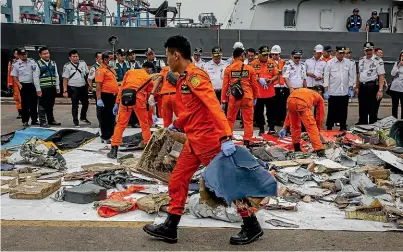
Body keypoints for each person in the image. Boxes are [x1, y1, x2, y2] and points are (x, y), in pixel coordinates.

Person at [143, 35, 263, 246]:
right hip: (193, 141)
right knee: (177, 179)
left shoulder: (195, 77)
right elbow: (192, 109)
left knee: (228, 184)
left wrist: (226, 136)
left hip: (208, 140)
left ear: (176, 55)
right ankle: (171, 227)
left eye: (168, 56)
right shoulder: (182, 78)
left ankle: (252, 225)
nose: (166, 61)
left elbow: (212, 105)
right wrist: (177, 124)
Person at [107, 62, 155, 159]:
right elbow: (150, 96)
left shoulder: (129, 72)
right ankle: (148, 148)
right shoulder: (149, 78)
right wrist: (151, 113)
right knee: (144, 125)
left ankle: (114, 149)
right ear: (149, 69)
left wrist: (117, 103)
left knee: (120, 124)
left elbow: (122, 88)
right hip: (140, 101)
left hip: (126, 99)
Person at [222, 47, 259, 146]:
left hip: (234, 97)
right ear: (242, 56)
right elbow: (254, 85)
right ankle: (247, 140)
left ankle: (229, 137)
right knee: (248, 120)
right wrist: (255, 97)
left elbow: (225, 86)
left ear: (233, 57)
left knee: (230, 119)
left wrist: (224, 100)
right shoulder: (249, 68)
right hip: (247, 97)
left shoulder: (228, 69)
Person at [279, 88, 325, 156]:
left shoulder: (304, 91)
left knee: (294, 125)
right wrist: (318, 129)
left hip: (290, 100)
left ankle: (296, 147)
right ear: (320, 93)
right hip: (302, 103)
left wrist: (285, 127)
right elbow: (320, 116)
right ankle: (319, 151)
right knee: (311, 126)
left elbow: (289, 114)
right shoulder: (319, 97)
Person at [323, 46, 356, 131]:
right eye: (340, 53)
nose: (341, 55)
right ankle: (329, 127)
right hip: (333, 91)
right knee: (331, 111)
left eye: (343, 53)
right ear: (336, 53)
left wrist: (351, 87)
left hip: (344, 91)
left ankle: (343, 126)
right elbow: (326, 76)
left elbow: (351, 76)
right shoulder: (330, 63)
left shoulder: (348, 63)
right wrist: (326, 90)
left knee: (343, 110)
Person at [355, 42, 385, 124]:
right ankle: (362, 123)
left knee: (373, 108)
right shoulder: (361, 60)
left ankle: (372, 125)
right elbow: (359, 74)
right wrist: (356, 87)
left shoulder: (378, 60)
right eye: (367, 50)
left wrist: (380, 90)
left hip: (372, 86)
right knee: (362, 107)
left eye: (370, 50)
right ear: (364, 51)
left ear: (373, 50)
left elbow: (381, 76)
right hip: (362, 85)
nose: (368, 52)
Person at [251, 45, 278, 135]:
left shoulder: (271, 62)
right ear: (258, 54)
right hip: (258, 93)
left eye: (267, 55)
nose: (265, 57)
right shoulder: (253, 64)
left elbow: (276, 74)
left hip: (270, 92)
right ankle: (261, 128)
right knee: (258, 112)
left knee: (272, 111)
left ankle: (271, 127)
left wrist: (271, 80)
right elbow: (251, 76)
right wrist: (259, 79)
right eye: (263, 55)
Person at [33, 47, 61, 127]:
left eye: (47, 53)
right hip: (43, 88)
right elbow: (35, 77)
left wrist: (57, 86)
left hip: (51, 87)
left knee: (50, 104)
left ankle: (51, 120)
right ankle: (43, 121)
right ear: (40, 55)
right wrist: (38, 89)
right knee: (42, 105)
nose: (46, 55)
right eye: (44, 54)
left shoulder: (53, 63)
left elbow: (56, 75)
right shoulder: (37, 64)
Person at [62, 49, 91, 127]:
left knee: (86, 103)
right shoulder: (67, 66)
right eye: (74, 56)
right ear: (70, 58)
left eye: (77, 56)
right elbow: (65, 79)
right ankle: (75, 121)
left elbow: (87, 74)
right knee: (75, 105)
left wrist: (89, 85)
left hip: (83, 86)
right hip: (73, 87)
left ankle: (83, 117)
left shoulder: (83, 63)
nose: (76, 58)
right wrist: (65, 90)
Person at [95, 51, 119, 143]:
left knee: (112, 116)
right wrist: (99, 98)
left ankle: (111, 134)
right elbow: (98, 86)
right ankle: (105, 136)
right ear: (105, 59)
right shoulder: (100, 71)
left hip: (113, 96)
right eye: (111, 59)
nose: (113, 60)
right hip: (105, 96)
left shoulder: (111, 69)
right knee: (104, 117)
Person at [11, 48, 38, 127]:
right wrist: (19, 85)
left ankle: (34, 120)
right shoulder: (16, 64)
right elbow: (14, 76)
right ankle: (25, 121)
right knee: (25, 104)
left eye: (25, 54)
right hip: (24, 85)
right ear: (19, 55)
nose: (24, 56)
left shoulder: (32, 61)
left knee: (34, 103)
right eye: (22, 55)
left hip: (32, 84)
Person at [271, 45, 288, 127]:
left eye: (276, 54)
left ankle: (281, 120)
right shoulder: (269, 62)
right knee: (273, 105)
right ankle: (273, 120)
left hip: (282, 85)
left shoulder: (283, 62)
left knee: (282, 104)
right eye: (273, 54)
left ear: (279, 54)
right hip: (273, 86)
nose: (275, 56)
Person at [8, 48, 22, 119]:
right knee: (17, 98)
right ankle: (20, 112)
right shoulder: (12, 62)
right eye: (16, 54)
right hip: (15, 82)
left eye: (18, 54)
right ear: (14, 54)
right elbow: (9, 73)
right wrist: (10, 84)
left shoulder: (24, 61)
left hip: (23, 81)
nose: (17, 55)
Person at [390, 50, 403, 119]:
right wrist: (398, 65)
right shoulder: (397, 63)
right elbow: (392, 73)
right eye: (402, 56)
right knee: (395, 105)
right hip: (395, 87)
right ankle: (394, 119)